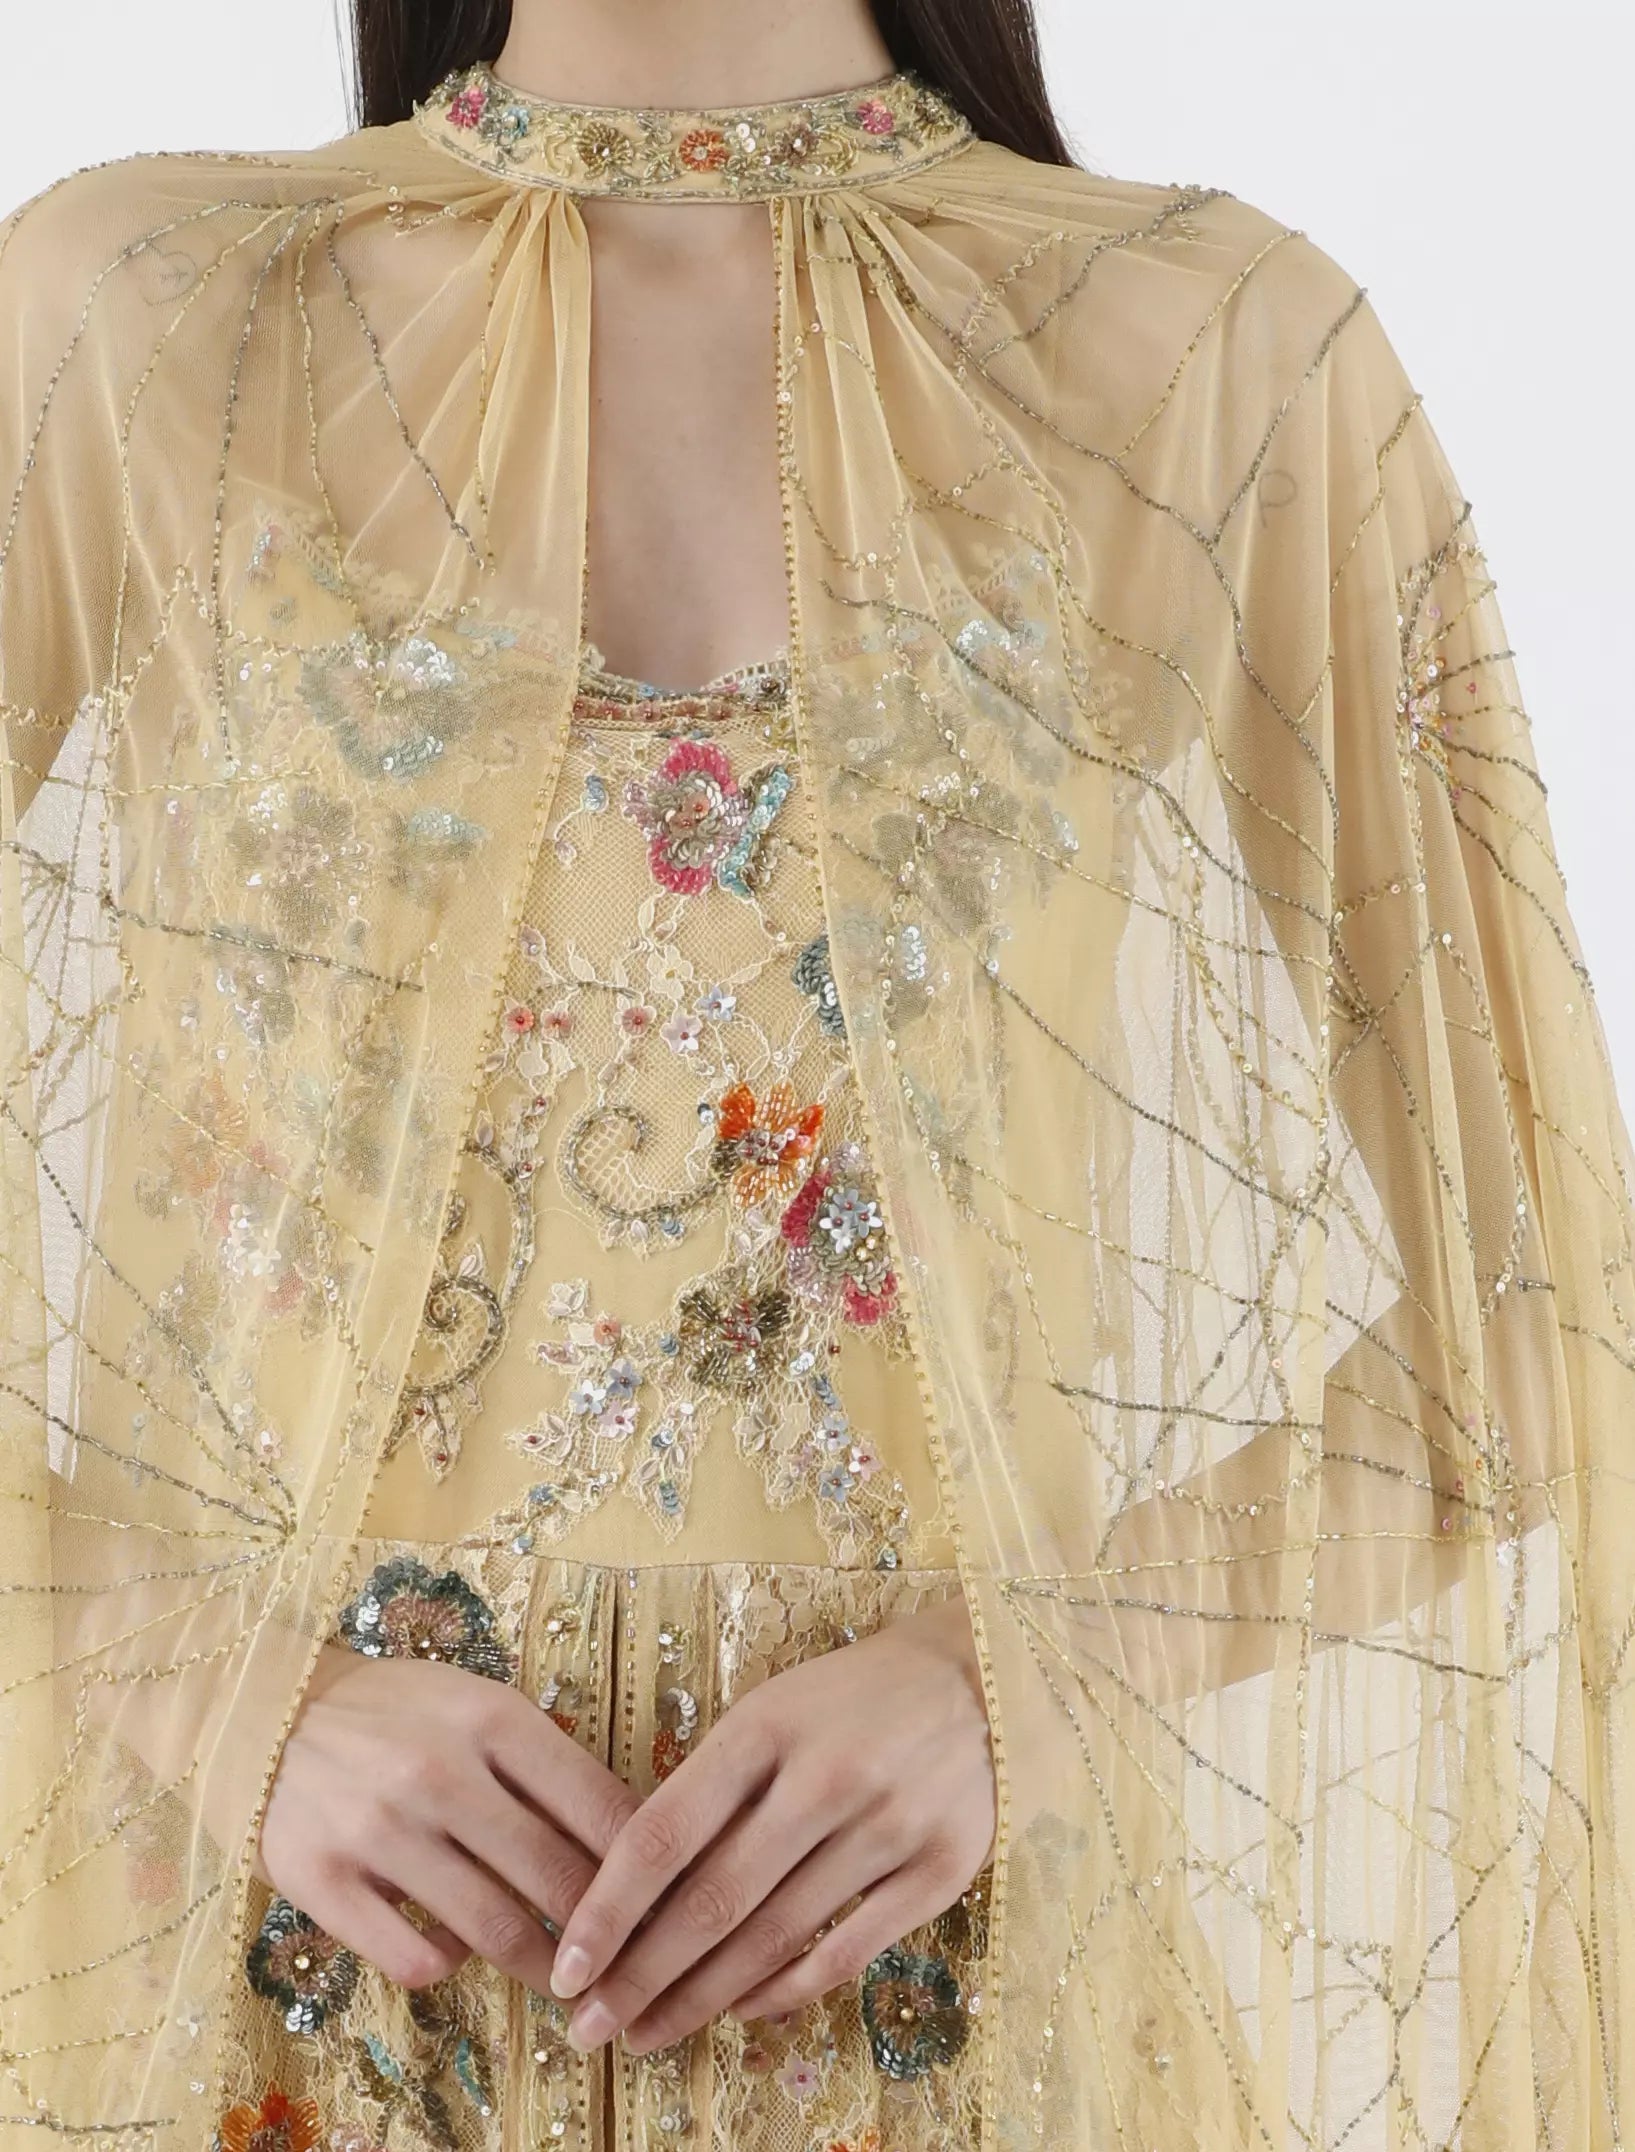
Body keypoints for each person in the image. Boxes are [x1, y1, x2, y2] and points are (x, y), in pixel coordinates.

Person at [2, 2, 1631, 2147]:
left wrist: (1022, 1685)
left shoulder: (1206, 348)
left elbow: (1542, 1318)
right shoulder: (145, 312)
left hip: (950, 1998)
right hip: (274, 1983)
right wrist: (195, 1678)